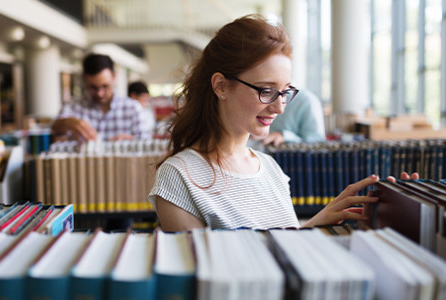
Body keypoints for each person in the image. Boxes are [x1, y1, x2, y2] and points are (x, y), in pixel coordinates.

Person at [147, 15, 418, 232]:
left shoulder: (270, 169)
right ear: (220, 86)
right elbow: (216, 278)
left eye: (285, 91)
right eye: (266, 90)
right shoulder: (179, 176)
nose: (279, 107)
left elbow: (281, 248)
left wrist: (323, 222)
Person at [52, 54, 151, 142]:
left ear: (114, 76)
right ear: (84, 79)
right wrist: (68, 122)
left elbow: (147, 143)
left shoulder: (133, 108)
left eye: (105, 86)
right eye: (93, 87)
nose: (100, 93)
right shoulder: (73, 106)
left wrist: (132, 143)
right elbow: (55, 128)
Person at [252, 88, 326, 147]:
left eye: (284, 94)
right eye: (266, 92)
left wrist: (285, 136)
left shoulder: (307, 101)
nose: (280, 110)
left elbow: (317, 143)